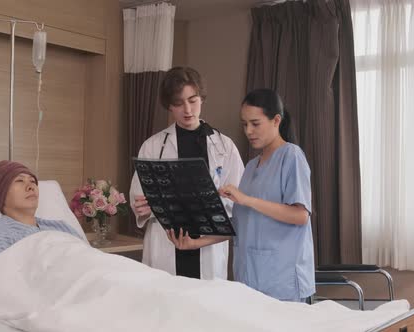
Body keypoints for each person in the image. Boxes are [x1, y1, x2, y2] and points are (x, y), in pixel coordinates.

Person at [129, 66, 244, 280]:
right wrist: (143, 207)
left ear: (202, 98)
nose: (187, 109)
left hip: (207, 243)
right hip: (165, 241)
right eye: (179, 103)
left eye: (193, 100)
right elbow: (138, 196)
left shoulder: (224, 147)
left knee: (204, 306)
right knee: (165, 305)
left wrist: (214, 201)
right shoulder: (153, 146)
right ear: (169, 107)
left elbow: (238, 203)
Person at [219, 88, 315, 302]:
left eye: (255, 123)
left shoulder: (292, 156)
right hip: (249, 280)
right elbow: (241, 225)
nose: (248, 131)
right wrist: (195, 242)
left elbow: (300, 215)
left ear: (276, 120)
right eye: (245, 124)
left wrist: (246, 200)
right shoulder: (252, 167)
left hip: (282, 282)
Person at [0, 160, 83, 271]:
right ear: (0, 193)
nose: (30, 187)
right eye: (19, 180)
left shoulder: (61, 227)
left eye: (32, 181)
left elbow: (90, 258)